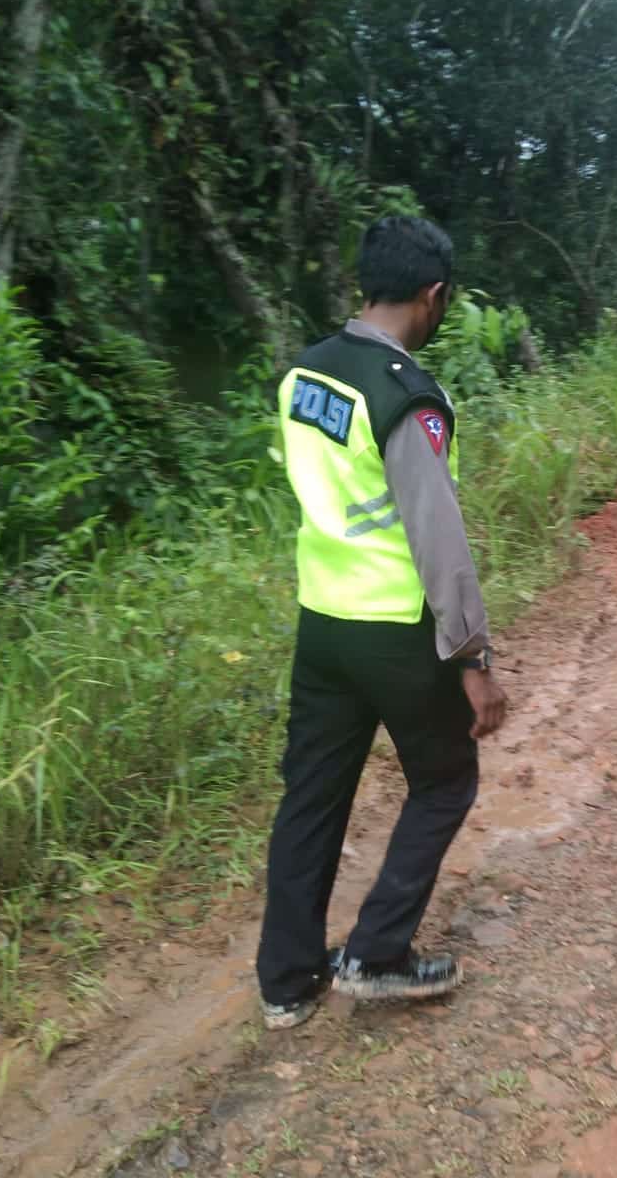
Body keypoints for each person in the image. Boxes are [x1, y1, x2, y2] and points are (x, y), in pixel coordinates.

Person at [256, 216, 508, 1030]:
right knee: (446, 780)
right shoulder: (404, 395)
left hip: (322, 620)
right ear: (433, 297)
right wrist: (473, 656)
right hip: (395, 627)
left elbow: (316, 486)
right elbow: (438, 540)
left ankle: (287, 982)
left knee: (313, 796)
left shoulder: (305, 374)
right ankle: (376, 954)